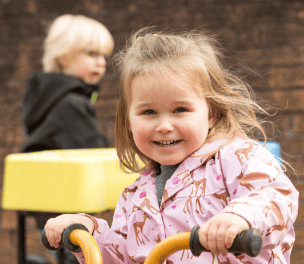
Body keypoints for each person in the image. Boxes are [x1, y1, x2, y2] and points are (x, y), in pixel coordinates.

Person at [44, 28, 298, 264]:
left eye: (180, 109)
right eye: (149, 112)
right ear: (129, 122)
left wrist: (240, 217)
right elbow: (126, 257)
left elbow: (277, 195)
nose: (164, 125)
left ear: (211, 113)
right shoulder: (135, 195)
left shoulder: (238, 156)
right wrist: (88, 232)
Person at [20, 14, 114, 264]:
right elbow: (92, 148)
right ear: (63, 57)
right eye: (92, 54)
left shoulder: (49, 98)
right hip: (66, 202)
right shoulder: (71, 103)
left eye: (103, 56)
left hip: (48, 200)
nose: (101, 63)